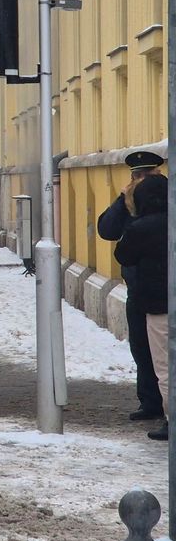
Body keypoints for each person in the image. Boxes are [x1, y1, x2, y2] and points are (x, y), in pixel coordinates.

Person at [99, 149, 168, 427]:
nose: (139, 180)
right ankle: (150, 402)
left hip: (161, 289)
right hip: (138, 287)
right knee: (141, 347)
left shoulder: (164, 199)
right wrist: (121, 199)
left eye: (144, 175)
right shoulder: (129, 203)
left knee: (163, 354)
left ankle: (165, 408)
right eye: (135, 176)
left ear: (157, 174)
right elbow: (107, 230)